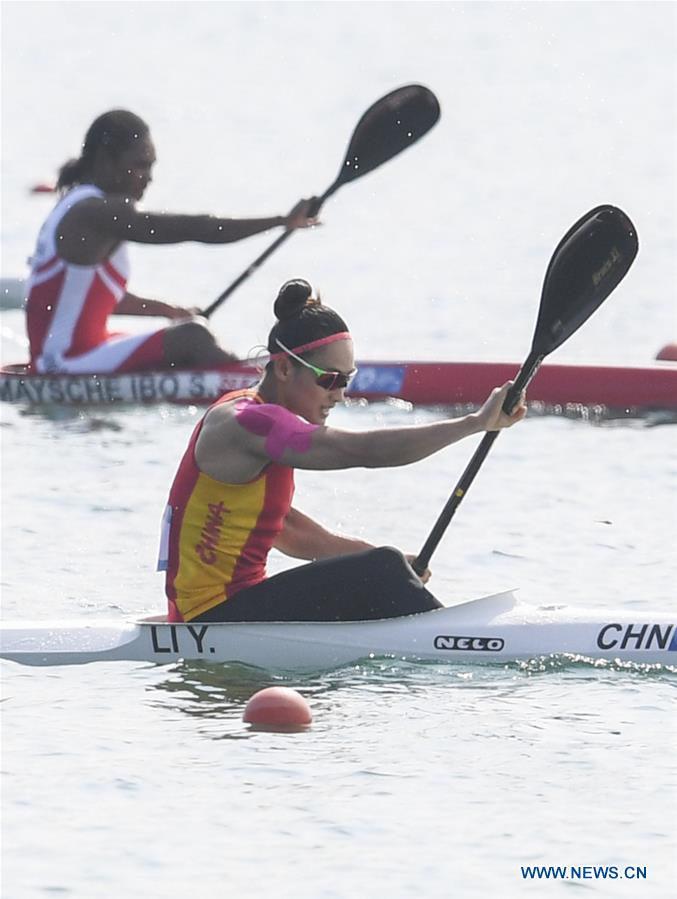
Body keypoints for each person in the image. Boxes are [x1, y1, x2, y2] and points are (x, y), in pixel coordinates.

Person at [158, 279, 527, 623]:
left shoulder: (258, 431)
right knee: (380, 567)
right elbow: (359, 450)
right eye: (330, 379)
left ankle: (448, 632)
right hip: (213, 615)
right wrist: (474, 423)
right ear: (284, 369)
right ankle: (464, 639)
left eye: (347, 380)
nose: (339, 395)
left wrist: (392, 565)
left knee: (383, 563)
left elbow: (295, 533)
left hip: (225, 610)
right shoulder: (244, 422)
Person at [25, 109, 317, 375]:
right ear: (105, 161)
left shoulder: (75, 204)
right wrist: (280, 221)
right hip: (62, 364)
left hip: (73, 354)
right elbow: (198, 229)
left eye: (151, 167)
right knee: (193, 337)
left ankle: (250, 381)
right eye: (140, 166)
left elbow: (86, 301)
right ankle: (262, 388)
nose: (148, 179)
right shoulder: (95, 212)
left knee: (186, 333)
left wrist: (170, 311)